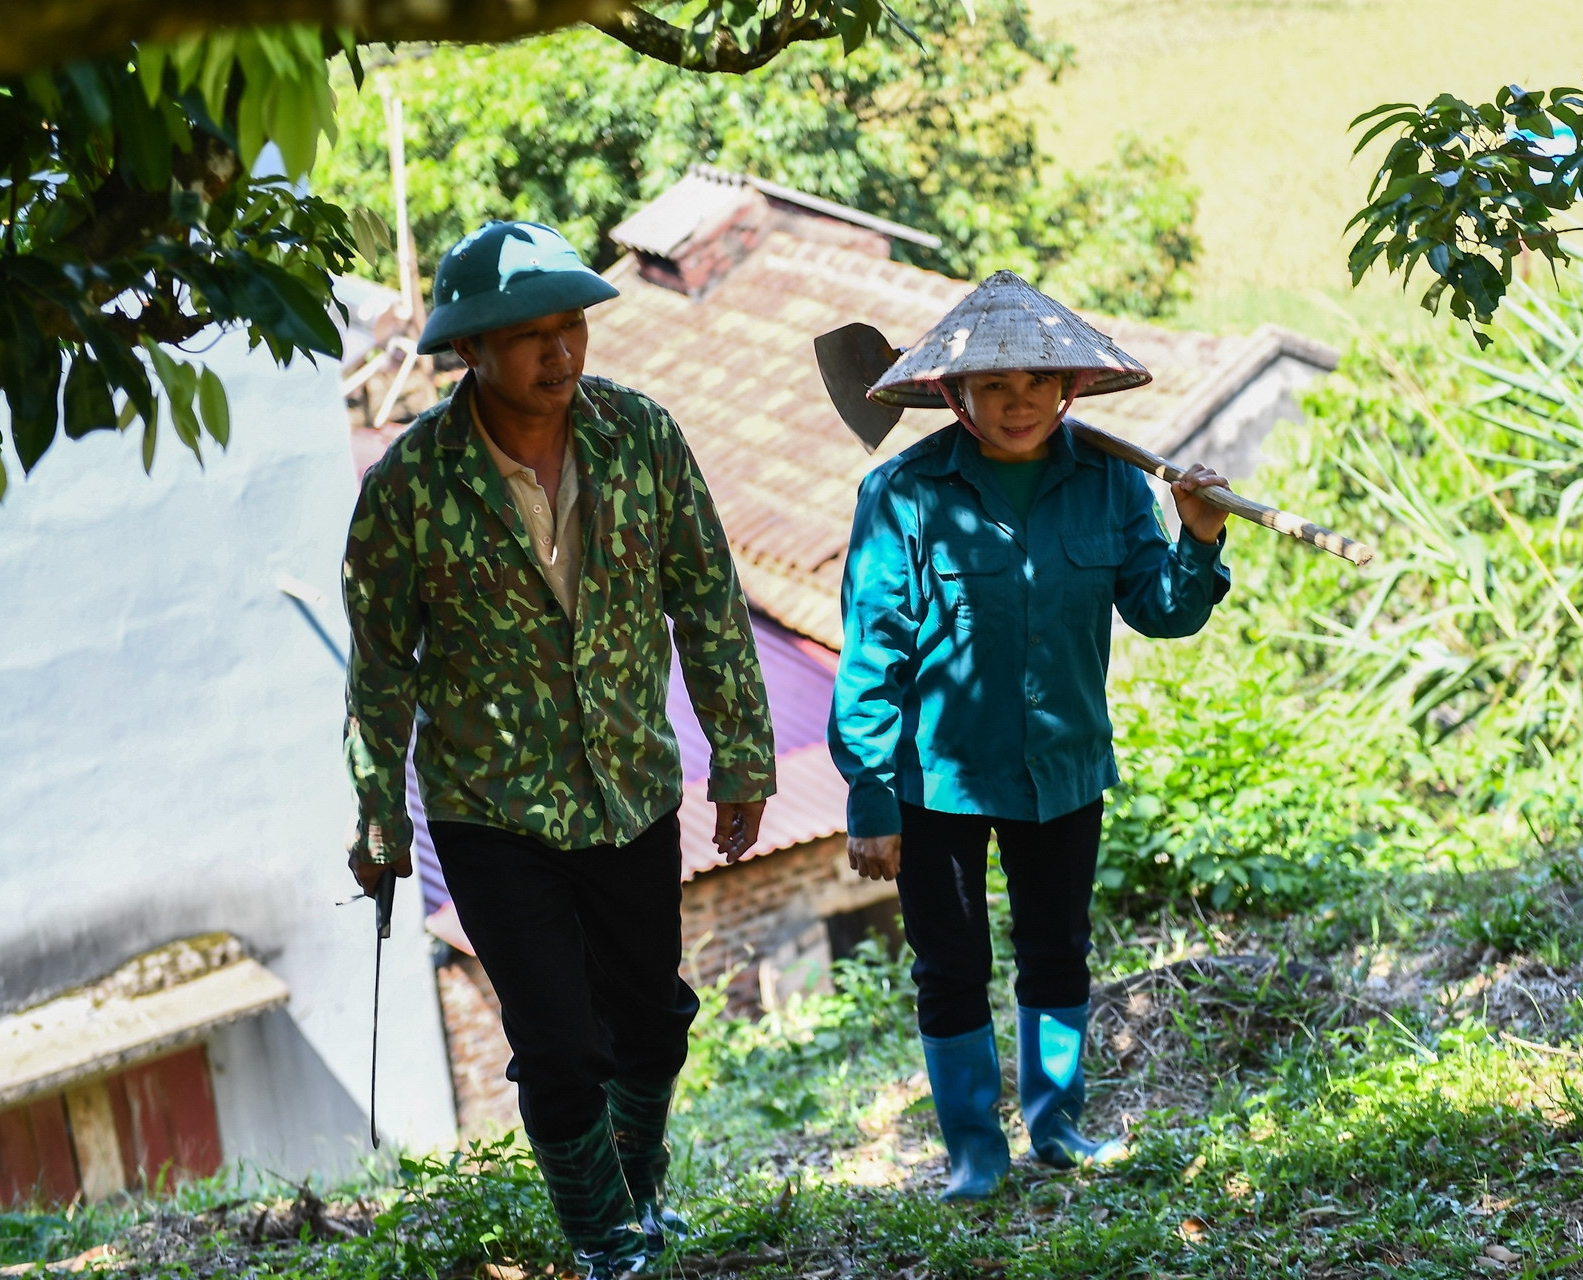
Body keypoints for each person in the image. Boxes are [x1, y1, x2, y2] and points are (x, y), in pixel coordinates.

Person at [342, 221, 775, 1276]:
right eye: (528, 335)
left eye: (571, 325)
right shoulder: (409, 488)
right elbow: (380, 665)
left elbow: (707, 600)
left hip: (629, 785)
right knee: (559, 1042)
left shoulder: (642, 439)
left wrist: (743, 753)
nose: (560, 353)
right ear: (470, 350)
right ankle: (605, 1240)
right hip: (492, 811)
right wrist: (376, 810)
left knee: (652, 1022)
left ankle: (637, 1190)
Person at [828, 271, 1232, 1201]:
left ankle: (1057, 1128)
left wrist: (1198, 539)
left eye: (1039, 385)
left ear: (1071, 389)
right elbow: (873, 650)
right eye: (996, 388)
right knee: (952, 965)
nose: (1020, 404)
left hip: (1065, 768)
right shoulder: (904, 494)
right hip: (936, 780)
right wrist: (869, 791)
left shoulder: (1113, 485)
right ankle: (974, 1151)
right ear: (954, 396)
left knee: (1058, 950)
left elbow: (1162, 613)